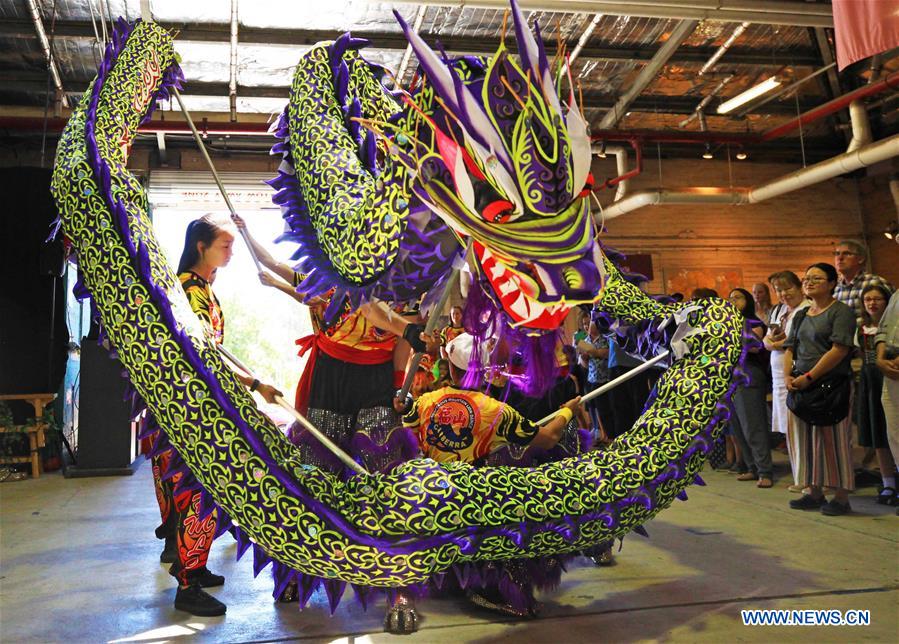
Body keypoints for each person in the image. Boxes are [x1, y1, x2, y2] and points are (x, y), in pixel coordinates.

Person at [152, 214, 282, 617]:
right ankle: (187, 586)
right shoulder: (192, 293)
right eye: (224, 246)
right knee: (202, 492)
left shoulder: (199, 288)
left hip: (195, 406)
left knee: (199, 494)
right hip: (199, 411)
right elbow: (206, 357)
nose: (230, 252)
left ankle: (194, 567)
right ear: (201, 248)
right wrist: (253, 386)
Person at [784, 263, 857, 516]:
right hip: (801, 386)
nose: (809, 282)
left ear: (831, 283)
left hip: (831, 386)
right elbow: (790, 347)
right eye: (806, 278)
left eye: (817, 278)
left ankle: (840, 496)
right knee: (806, 441)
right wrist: (787, 375)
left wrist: (810, 376)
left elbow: (839, 350)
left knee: (833, 441)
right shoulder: (802, 315)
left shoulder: (841, 312)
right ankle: (814, 491)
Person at [764, 271, 810, 491]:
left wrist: (776, 343)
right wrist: (773, 343)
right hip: (778, 375)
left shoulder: (807, 309)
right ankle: (799, 474)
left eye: (788, 288)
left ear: (799, 287)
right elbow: (767, 339)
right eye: (779, 290)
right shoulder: (778, 310)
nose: (783, 294)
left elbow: (796, 341)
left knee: (800, 428)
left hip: (796, 372)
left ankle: (808, 476)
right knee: (788, 429)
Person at [727, 288, 773, 488]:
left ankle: (765, 470)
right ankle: (751, 467)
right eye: (730, 299)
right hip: (730, 376)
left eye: (738, 298)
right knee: (737, 426)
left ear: (748, 301)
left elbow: (755, 346)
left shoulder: (754, 323)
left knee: (752, 424)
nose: (733, 301)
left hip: (749, 374)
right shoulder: (725, 323)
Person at [857, 284, 897, 505]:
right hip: (870, 382)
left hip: (890, 376)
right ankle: (888, 483)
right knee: (878, 435)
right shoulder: (861, 328)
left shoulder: (893, 326)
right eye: (868, 300)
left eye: (877, 299)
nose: (872, 303)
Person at [876, 289, 899, 515]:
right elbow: (882, 330)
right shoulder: (896, 295)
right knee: (895, 435)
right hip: (890, 370)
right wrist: (881, 359)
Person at [832, 240, 894, 322]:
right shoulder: (833, 287)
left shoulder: (875, 282)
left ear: (861, 259)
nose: (840, 258)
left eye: (847, 253)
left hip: (870, 333)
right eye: (837, 254)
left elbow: (894, 313)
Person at [577, 320, 611, 442]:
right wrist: (583, 357)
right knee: (596, 407)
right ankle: (602, 433)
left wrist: (596, 352)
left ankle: (609, 434)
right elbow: (584, 365)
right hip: (592, 378)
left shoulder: (605, 338)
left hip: (607, 377)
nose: (587, 326)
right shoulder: (584, 341)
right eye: (584, 324)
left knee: (607, 407)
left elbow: (609, 354)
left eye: (589, 323)